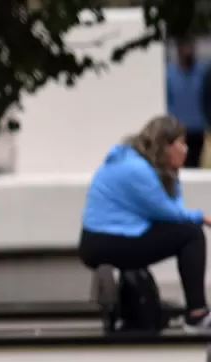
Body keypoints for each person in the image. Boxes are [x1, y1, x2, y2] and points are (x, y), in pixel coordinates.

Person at [79, 114, 211, 330]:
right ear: (165, 145)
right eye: (181, 143)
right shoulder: (137, 170)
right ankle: (197, 314)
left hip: (107, 238)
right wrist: (202, 217)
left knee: (186, 231)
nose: (186, 149)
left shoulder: (135, 163)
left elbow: (170, 210)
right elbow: (168, 212)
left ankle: (170, 312)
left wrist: (173, 173)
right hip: (104, 241)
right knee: (191, 234)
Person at [166, 38, 210, 169]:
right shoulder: (170, 74)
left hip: (197, 127)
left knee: (194, 164)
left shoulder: (202, 72)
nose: (188, 51)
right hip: (177, 129)